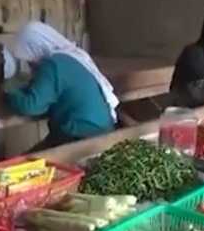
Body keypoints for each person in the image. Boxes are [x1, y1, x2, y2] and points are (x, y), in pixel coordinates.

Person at [6, 21, 119, 151]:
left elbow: (30, 106)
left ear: (35, 49)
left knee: (27, 163)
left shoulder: (54, 64)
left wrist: (9, 91)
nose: (31, 66)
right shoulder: (73, 56)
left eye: (29, 59)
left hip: (80, 134)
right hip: (103, 128)